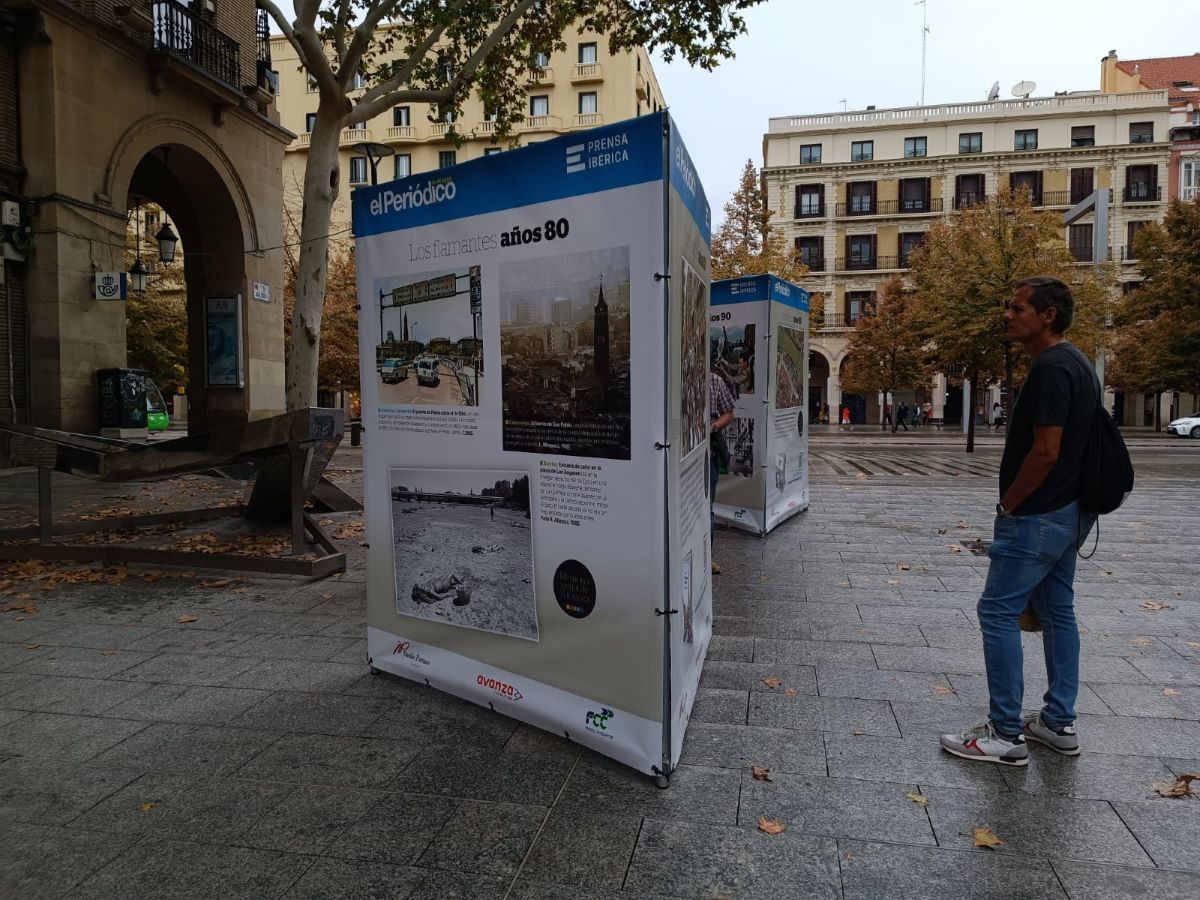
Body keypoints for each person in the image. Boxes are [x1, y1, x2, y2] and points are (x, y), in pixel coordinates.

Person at [940, 277, 1099, 767]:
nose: (1007, 315)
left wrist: (1009, 505)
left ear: (1047, 314)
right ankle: (1057, 723)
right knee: (1057, 611)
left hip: (1037, 515)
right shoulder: (1078, 362)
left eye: (1017, 307)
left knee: (997, 612)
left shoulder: (1051, 368)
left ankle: (1006, 734)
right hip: (1071, 512)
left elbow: (1046, 451)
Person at [709, 371, 736, 575]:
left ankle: (705, 557)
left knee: (705, 505)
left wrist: (714, 426)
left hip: (706, 450)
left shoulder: (714, 380)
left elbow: (729, 412)